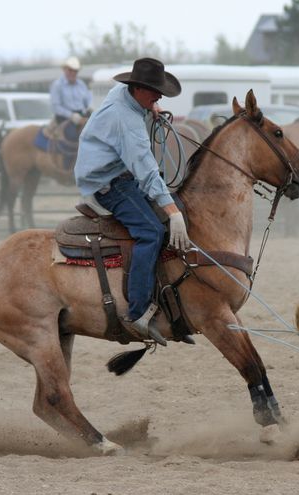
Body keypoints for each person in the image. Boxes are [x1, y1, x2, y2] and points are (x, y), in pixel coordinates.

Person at [75, 57, 189, 345]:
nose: (159, 95)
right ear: (137, 88)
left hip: (117, 172)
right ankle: (138, 313)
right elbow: (147, 172)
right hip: (106, 183)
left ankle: (167, 306)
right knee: (151, 232)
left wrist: (152, 107)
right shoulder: (126, 121)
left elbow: (145, 169)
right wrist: (173, 211)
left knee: (166, 212)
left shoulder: (123, 95)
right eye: (154, 91)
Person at [49, 56, 92, 141]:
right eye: (70, 70)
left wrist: (89, 109)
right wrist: (72, 116)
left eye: (75, 71)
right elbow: (55, 107)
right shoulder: (57, 85)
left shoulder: (81, 84)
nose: (72, 73)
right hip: (64, 118)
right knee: (72, 137)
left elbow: (87, 102)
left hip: (82, 115)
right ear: (65, 70)